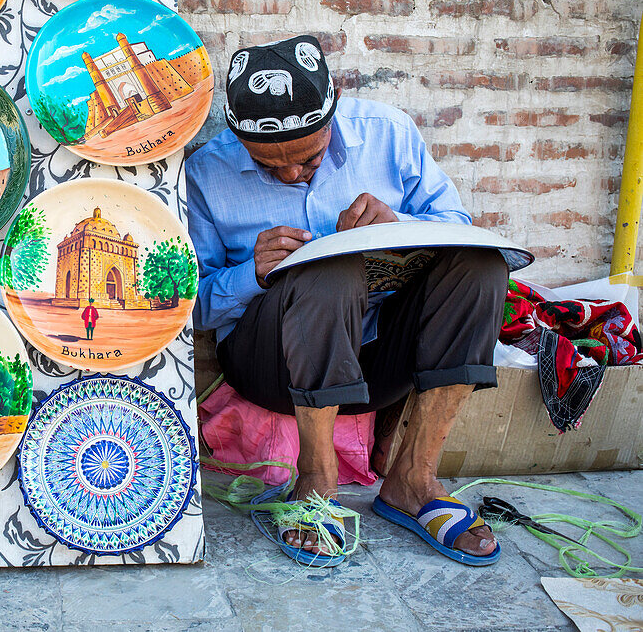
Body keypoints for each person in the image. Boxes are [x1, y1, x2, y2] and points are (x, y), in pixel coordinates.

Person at [185, 36, 507, 567]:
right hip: (272, 369)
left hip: (380, 363)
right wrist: (252, 274)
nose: (293, 174)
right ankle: (315, 483)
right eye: (270, 165)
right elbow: (191, 307)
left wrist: (402, 226)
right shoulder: (206, 172)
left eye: (308, 158)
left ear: (333, 108)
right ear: (240, 139)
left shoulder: (389, 134)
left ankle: (413, 479)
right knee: (325, 271)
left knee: (481, 265)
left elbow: (458, 227)